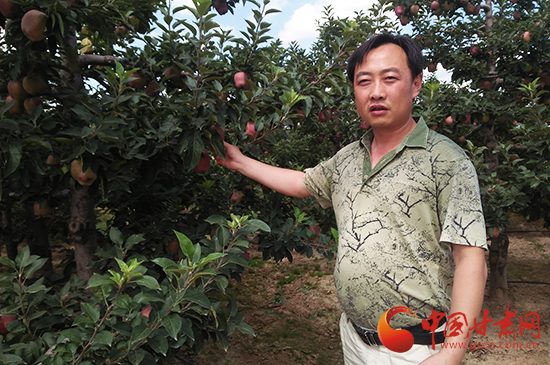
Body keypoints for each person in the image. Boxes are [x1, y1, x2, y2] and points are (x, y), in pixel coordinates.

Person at [217, 33, 488, 365]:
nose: (376, 91)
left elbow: (471, 260)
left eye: (390, 78)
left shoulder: (445, 160)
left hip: (418, 348)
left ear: (416, 84)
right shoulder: (347, 158)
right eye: (364, 81)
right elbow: (303, 182)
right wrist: (238, 160)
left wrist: (453, 352)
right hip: (355, 337)